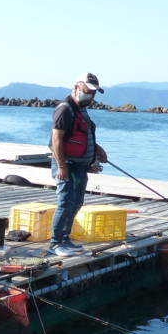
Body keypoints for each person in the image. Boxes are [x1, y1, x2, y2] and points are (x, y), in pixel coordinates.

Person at [48, 72, 108, 258]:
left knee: (77, 203)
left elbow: (83, 136)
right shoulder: (65, 109)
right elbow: (57, 139)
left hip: (80, 166)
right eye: (87, 91)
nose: (90, 95)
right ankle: (55, 243)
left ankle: (65, 238)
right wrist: (62, 167)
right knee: (65, 204)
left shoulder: (81, 110)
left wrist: (97, 150)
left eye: (93, 93)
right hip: (67, 165)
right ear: (76, 88)